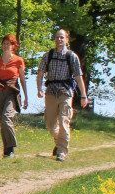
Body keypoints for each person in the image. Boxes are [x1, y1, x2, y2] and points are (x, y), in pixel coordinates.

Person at [36, 29, 88, 162]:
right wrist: (39, 89)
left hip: (66, 92)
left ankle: (61, 151)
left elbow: (78, 76)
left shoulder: (72, 56)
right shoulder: (48, 55)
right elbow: (41, 74)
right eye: (57, 37)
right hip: (51, 91)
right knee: (50, 122)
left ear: (67, 40)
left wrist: (83, 95)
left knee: (64, 121)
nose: (59, 40)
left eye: (62, 38)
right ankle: (59, 143)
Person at [0, 33, 28, 158]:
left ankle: (12, 146)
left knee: (6, 119)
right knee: (2, 122)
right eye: (4, 43)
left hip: (12, 92)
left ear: (13, 46)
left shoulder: (18, 60)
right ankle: (7, 150)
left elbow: (23, 79)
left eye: (8, 44)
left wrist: (26, 97)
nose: (6, 46)